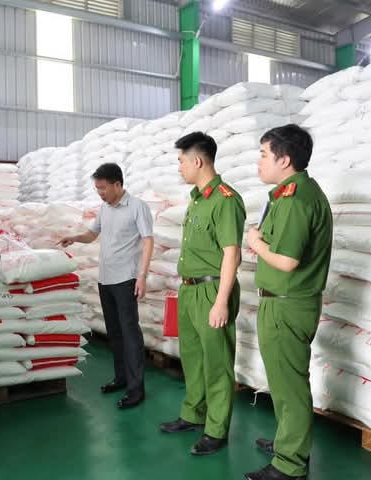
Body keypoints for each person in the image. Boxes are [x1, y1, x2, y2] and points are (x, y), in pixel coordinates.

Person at [244, 124, 332, 480]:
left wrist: (255, 243)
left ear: (284, 159)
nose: (259, 161)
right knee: (283, 381)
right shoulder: (288, 195)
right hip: (282, 302)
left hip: (287, 304)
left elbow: (287, 260)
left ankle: (290, 463)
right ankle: (289, 441)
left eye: (264, 154)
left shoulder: (295, 200)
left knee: (290, 386)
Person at [158, 132, 245, 456]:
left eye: (181, 161)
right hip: (190, 290)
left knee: (217, 362)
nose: (179, 167)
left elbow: (232, 254)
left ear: (197, 161)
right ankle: (193, 413)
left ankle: (216, 429)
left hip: (212, 290)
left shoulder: (225, 199)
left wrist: (221, 301)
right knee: (193, 357)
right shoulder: (197, 198)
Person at [59, 163, 154, 409]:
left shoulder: (137, 207)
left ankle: (136, 389)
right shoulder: (104, 209)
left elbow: (148, 240)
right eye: (97, 189)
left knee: (130, 333)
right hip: (106, 279)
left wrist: (142, 276)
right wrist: (75, 238)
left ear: (117, 184)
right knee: (115, 332)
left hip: (126, 278)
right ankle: (121, 378)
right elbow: (92, 234)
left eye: (103, 188)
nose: (100, 193)